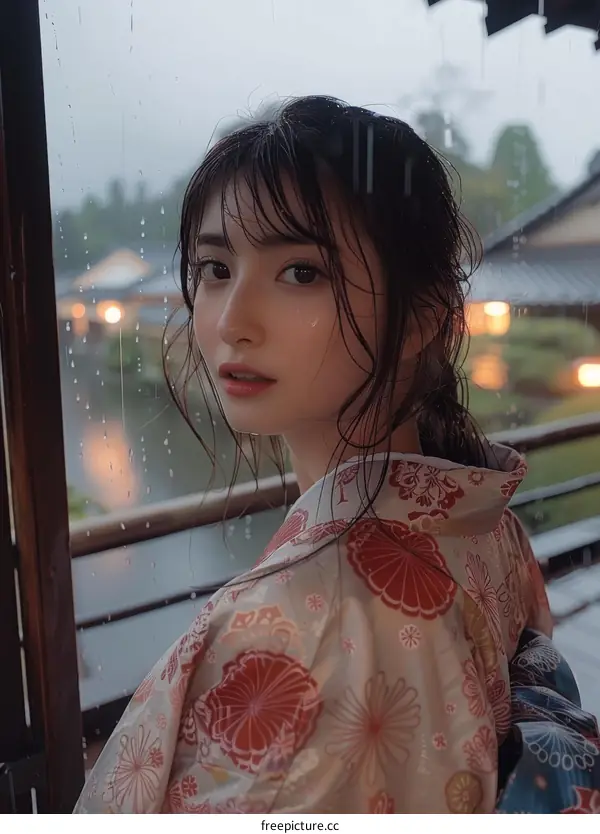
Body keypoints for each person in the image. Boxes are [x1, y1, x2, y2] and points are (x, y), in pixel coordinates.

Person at [74, 95, 555, 814]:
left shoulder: (294, 635)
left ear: (424, 315)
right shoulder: (489, 525)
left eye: (302, 272)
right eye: (213, 268)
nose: (233, 321)